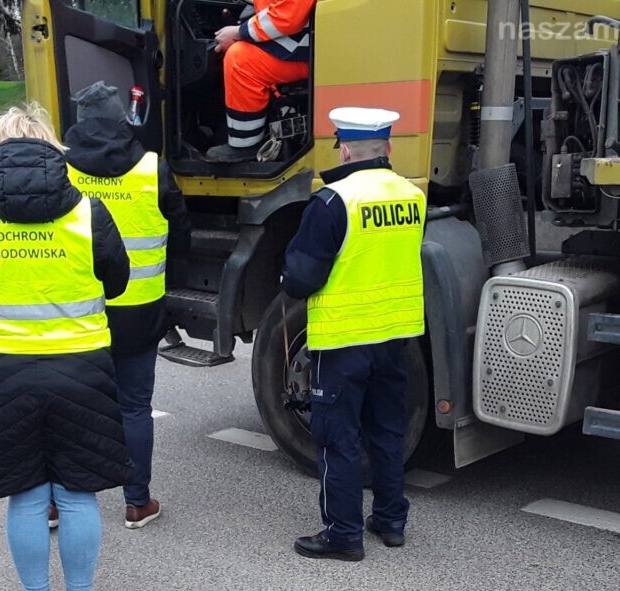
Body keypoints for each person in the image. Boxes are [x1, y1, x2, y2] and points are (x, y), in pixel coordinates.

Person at [0, 103, 134, 591]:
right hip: (80, 368)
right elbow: (117, 281)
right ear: (53, 149)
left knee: (26, 491)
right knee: (76, 489)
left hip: (1, 370)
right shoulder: (89, 212)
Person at [281, 107, 426, 561]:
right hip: (395, 334)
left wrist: (287, 277)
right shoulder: (413, 195)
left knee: (337, 437)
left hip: (344, 339)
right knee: (386, 430)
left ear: (343, 150)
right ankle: (390, 520)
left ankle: (343, 534)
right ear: (389, 147)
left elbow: (302, 277)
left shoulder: (333, 201)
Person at [61, 81, 192, 530]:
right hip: (139, 310)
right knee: (134, 407)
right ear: (123, 120)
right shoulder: (153, 167)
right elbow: (181, 234)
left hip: (80, 309)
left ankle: (60, 503)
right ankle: (137, 502)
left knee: (71, 405)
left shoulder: (62, 170)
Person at [206, 0, 316, 163]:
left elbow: (287, 17)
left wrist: (239, 32)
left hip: (307, 49)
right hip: (307, 41)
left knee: (240, 60)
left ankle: (245, 144)